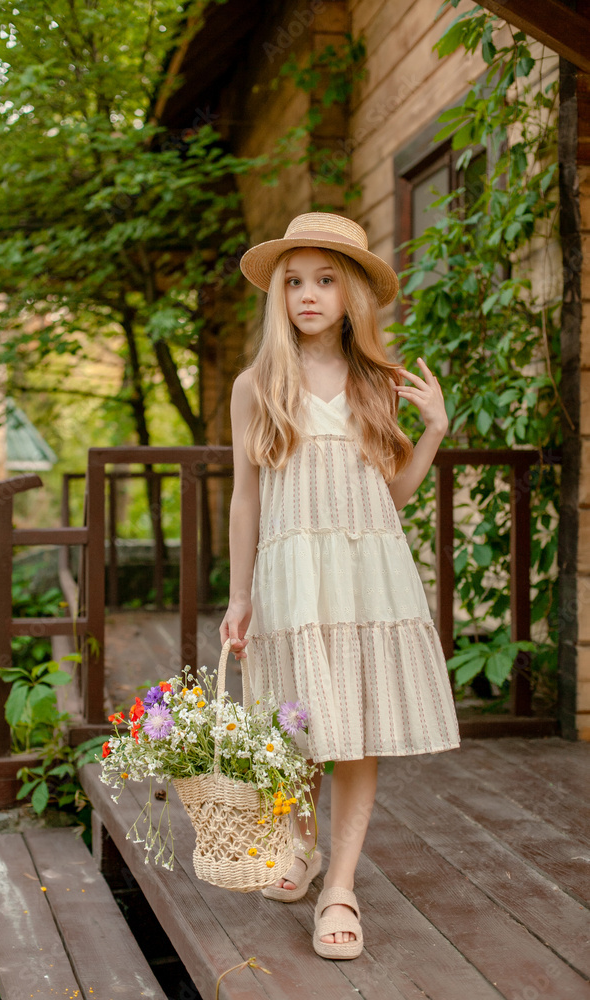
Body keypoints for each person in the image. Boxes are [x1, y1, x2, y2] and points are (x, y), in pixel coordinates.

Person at [219, 212, 460, 960]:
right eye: (294, 282)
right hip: (292, 577)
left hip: (365, 578)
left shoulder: (376, 382)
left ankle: (341, 887)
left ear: (351, 292)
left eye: (325, 280)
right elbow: (246, 499)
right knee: (296, 726)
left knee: (353, 730)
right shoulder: (257, 386)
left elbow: (390, 497)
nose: (308, 295)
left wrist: (433, 429)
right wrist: (239, 595)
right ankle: (300, 843)